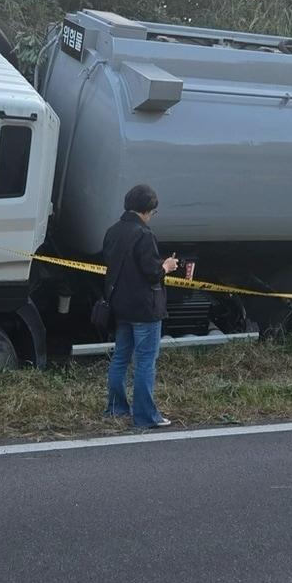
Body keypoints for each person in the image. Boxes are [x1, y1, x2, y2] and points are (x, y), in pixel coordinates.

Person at [102, 183, 179, 428]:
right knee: (146, 361)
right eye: (153, 212)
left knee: (120, 358)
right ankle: (145, 416)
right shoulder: (144, 235)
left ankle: (115, 408)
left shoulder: (112, 231)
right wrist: (166, 266)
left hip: (120, 306)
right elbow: (151, 273)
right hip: (145, 308)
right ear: (147, 210)